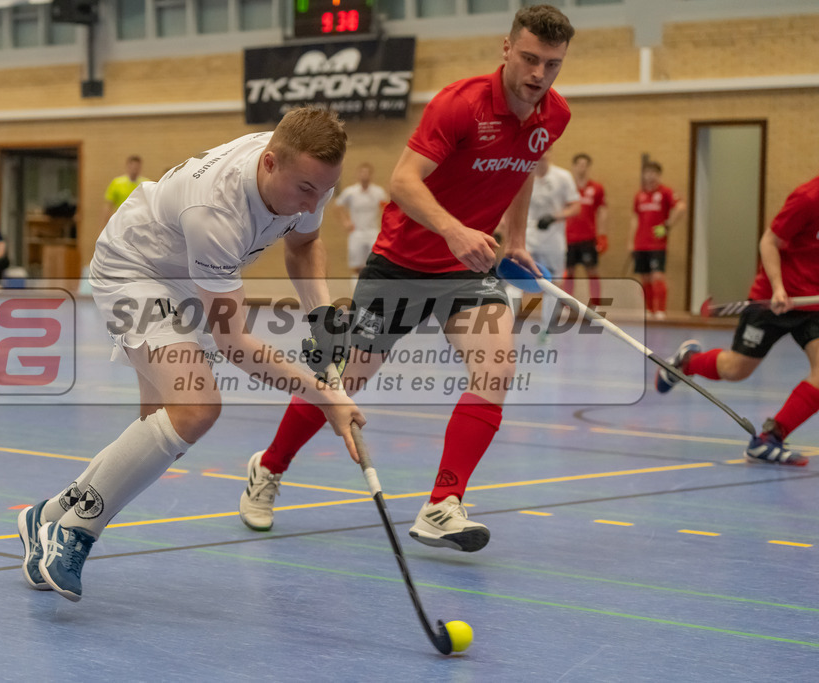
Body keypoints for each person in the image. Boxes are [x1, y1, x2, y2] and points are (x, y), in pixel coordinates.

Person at [237, 5, 574, 552]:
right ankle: (269, 467)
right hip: (401, 264)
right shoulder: (460, 105)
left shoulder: (553, 116)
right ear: (506, 49)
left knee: (497, 367)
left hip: (467, 269)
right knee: (345, 383)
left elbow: (523, 169)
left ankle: (443, 504)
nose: (539, 74)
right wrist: (454, 229)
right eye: (531, 58)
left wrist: (514, 241)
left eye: (552, 64)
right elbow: (404, 180)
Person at [17, 107, 364, 602]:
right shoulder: (218, 212)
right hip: (134, 266)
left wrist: (323, 321)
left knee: (159, 421)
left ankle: (47, 516)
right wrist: (326, 394)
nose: (312, 202)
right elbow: (236, 343)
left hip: (182, 275)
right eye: (305, 189)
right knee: (197, 406)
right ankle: (74, 531)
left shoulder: (306, 171)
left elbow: (305, 245)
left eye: (323, 190)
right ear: (269, 164)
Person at [656, 174, 819, 467]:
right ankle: (687, 362)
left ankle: (769, 439)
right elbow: (769, 241)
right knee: (736, 369)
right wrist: (779, 287)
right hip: (774, 300)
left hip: (813, 304)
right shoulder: (808, 198)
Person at [524, 146, 580, 343]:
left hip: (554, 241)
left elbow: (575, 206)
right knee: (513, 280)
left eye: (545, 151)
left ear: (550, 153)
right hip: (528, 237)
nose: (541, 156)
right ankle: (503, 327)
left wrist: (555, 217)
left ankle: (546, 330)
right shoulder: (523, 173)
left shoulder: (562, 177)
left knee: (553, 286)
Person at [629, 160, 685, 320]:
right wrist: (631, 241)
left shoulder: (665, 192)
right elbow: (635, 218)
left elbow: (681, 207)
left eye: (654, 173)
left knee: (657, 276)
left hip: (657, 244)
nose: (650, 176)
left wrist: (667, 225)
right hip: (641, 243)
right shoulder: (639, 195)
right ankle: (649, 310)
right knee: (644, 277)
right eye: (647, 173)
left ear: (659, 175)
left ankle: (660, 311)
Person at [563, 153, 608, 302]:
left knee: (592, 270)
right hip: (568, 238)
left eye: (585, 165)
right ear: (574, 166)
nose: (582, 168)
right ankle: (567, 305)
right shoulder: (567, 188)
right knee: (569, 271)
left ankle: (596, 304)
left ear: (588, 167)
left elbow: (602, 211)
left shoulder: (597, 188)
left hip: (588, 237)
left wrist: (602, 235)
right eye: (579, 164)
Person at [334, 162, 389, 282]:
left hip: (373, 233)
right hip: (356, 233)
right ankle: (356, 294)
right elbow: (338, 206)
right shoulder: (351, 192)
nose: (364, 175)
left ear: (371, 175)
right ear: (358, 175)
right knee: (357, 267)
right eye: (362, 173)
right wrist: (345, 221)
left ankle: (372, 294)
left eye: (367, 173)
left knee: (375, 265)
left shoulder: (378, 192)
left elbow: (386, 209)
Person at [101, 154, 152, 228]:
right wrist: (105, 226)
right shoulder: (117, 183)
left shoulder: (146, 184)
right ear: (128, 166)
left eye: (137, 167)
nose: (135, 169)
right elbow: (108, 206)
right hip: (121, 222)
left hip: (139, 223)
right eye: (133, 166)